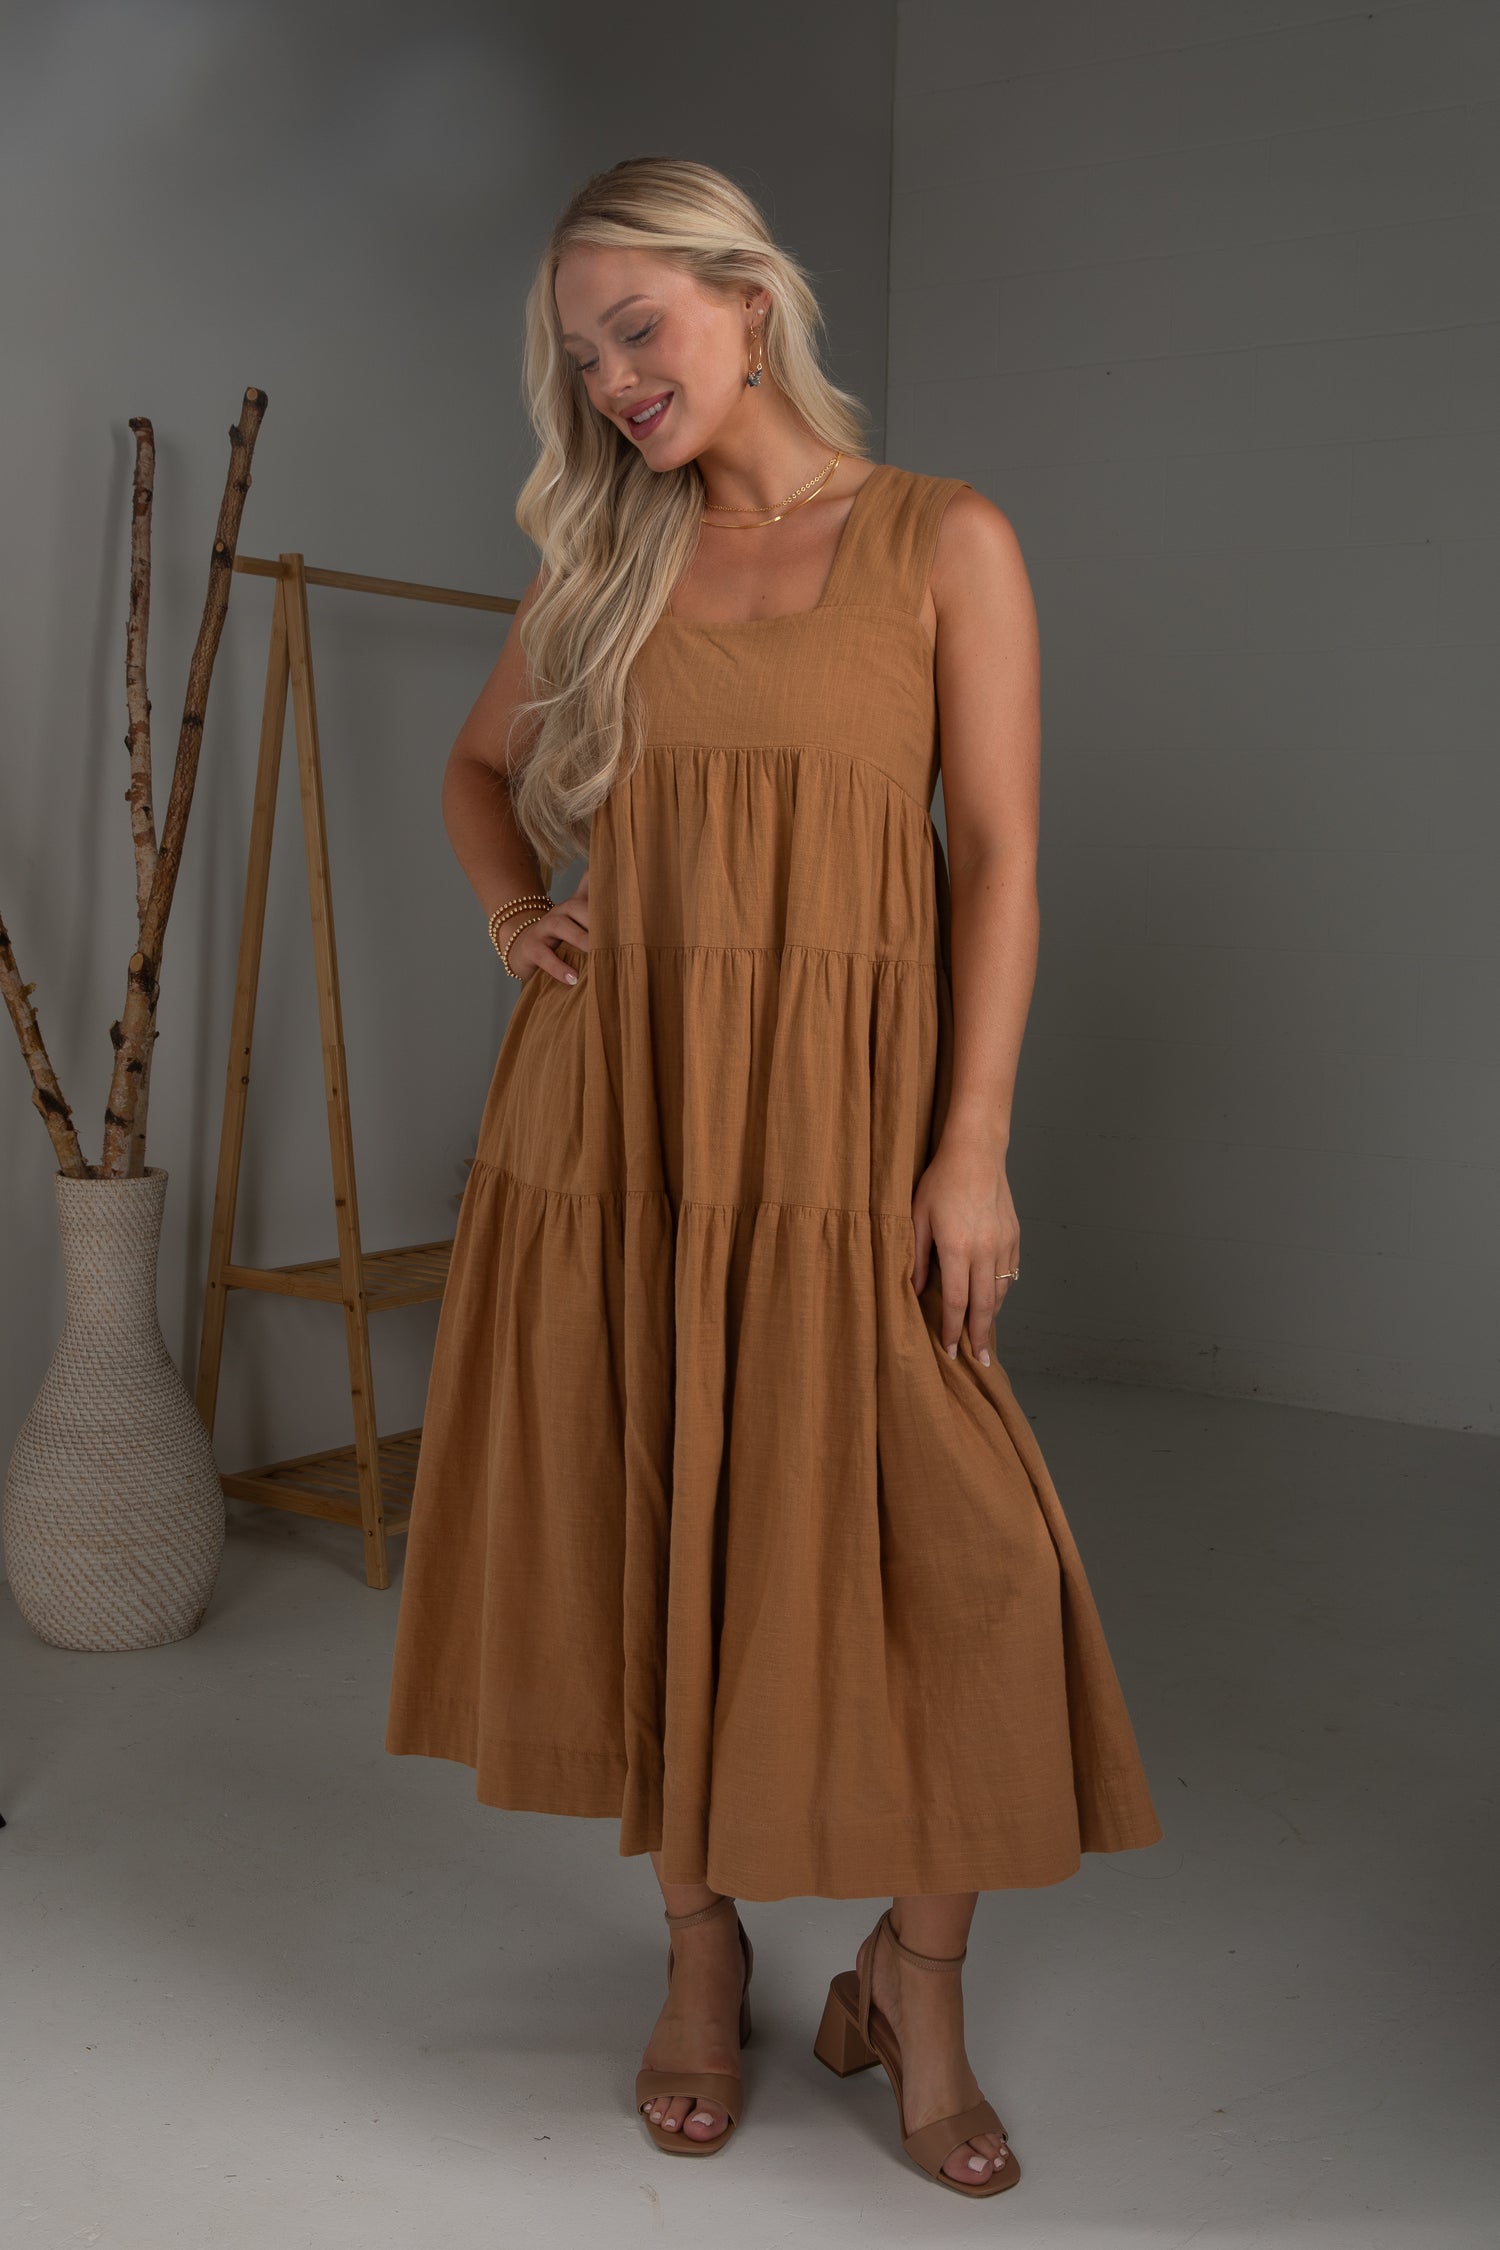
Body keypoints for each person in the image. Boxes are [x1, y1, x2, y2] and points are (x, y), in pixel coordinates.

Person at [385, 155, 1162, 2199]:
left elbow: (993, 858)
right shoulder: (606, 565)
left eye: (640, 326)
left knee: (958, 1563)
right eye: (583, 353)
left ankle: (921, 1981)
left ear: (749, 297)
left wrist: (971, 1145)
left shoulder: (939, 539)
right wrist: (509, 914)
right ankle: (704, 1950)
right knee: (672, 1519)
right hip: (624, 1119)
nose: (618, 379)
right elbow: (476, 773)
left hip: (850, 1127)